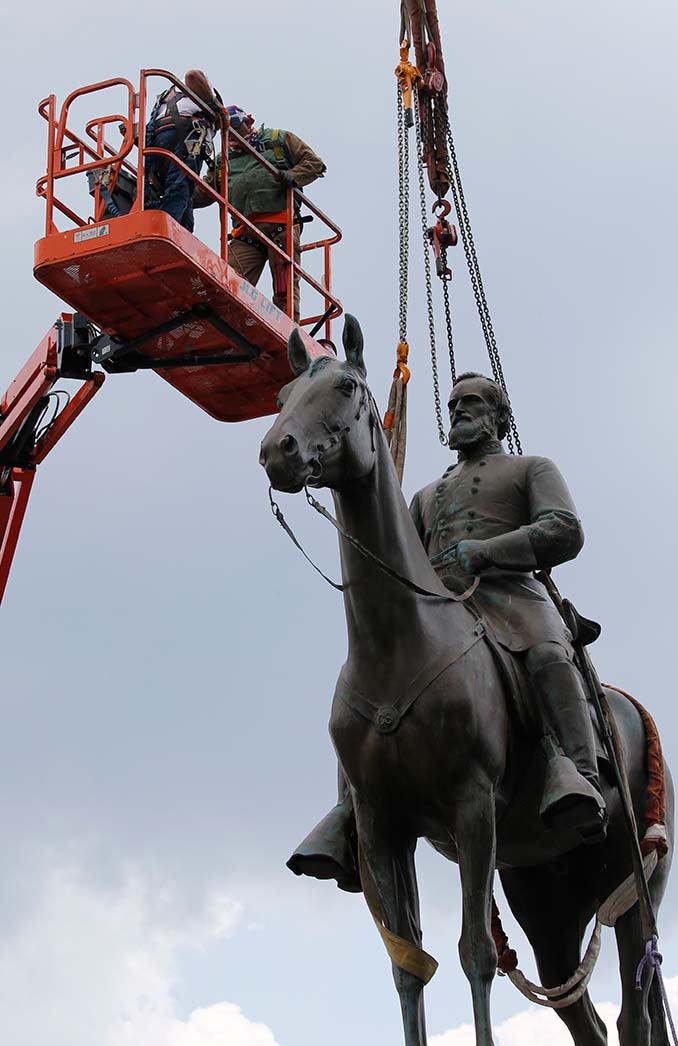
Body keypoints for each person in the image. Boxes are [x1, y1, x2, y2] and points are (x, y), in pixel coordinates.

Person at [288, 371, 607, 892]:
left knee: (549, 654)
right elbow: (401, 558)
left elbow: (564, 530)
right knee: (365, 689)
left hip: (513, 598)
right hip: (441, 611)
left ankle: (577, 774)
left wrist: (488, 552)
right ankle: (349, 811)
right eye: (455, 404)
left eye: (473, 403)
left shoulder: (530, 468)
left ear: (499, 417)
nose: (459, 411)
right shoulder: (427, 494)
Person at [198, 105, 326, 320]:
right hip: (245, 234)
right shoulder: (223, 160)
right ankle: (226, 326)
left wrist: (292, 175)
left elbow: (314, 164)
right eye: (230, 131)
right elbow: (203, 193)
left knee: (284, 290)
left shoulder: (278, 139)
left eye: (239, 126)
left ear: (250, 121)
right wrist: (165, 189)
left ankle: (289, 335)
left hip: (280, 226)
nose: (236, 135)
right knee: (226, 281)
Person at [144, 71, 220, 233]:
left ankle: (181, 233)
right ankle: (166, 233)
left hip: (160, 142)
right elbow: (193, 75)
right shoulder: (204, 94)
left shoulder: (167, 98)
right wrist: (216, 107)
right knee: (179, 188)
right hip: (185, 140)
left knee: (179, 194)